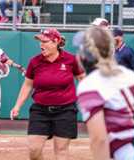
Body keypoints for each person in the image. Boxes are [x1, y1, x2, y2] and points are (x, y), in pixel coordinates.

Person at [10, 28, 85, 160]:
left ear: (56, 42)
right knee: (34, 150)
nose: (41, 45)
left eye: (44, 41)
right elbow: (28, 85)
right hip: (40, 110)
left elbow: (83, 80)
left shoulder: (71, 60)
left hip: (65, 110)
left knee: (61, 151)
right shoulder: (35, 62)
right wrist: (17, 106)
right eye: (40, 41)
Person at [76, 26, 134, 160]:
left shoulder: (89, 85)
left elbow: (99, 140)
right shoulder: (130, 75)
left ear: (85, 54)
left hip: (127, 152)